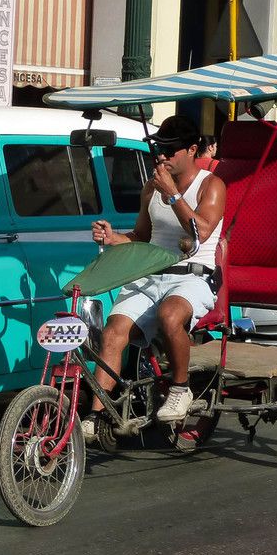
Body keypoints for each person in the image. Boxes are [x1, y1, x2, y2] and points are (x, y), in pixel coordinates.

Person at [83, 115, 226, 438]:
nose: (162, 156)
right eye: (159, 149)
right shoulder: (152, 187)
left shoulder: (210, 185)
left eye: (170, 150)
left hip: (193, 276)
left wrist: (173, 195)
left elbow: (201, 231)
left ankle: (180, 388)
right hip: (152, 274)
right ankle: (98, 412)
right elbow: (142, 236)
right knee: (112, 333)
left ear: (192, 150)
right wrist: (113, 237)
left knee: (170, 314)